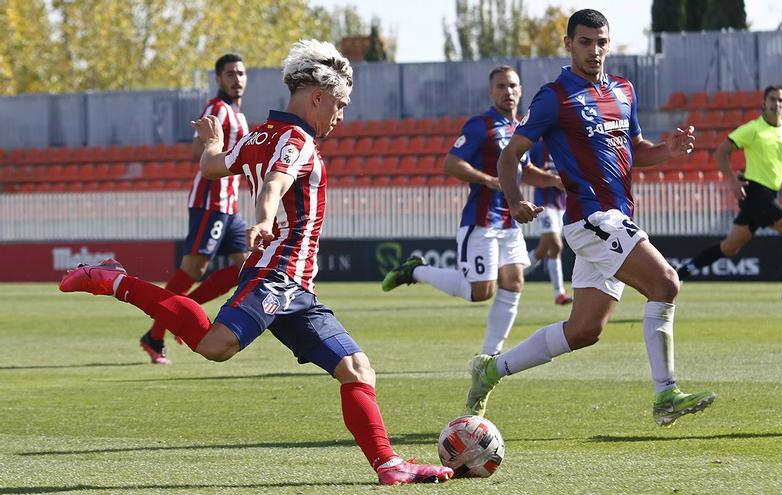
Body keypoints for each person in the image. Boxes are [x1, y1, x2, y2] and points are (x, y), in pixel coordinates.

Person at [60, 40, 453, 485]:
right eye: (339, 106)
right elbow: (273, 184)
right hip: (277, 273)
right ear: (317, 97)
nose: (340, 118)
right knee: (214, 346)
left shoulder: (259, 134)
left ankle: (389, 466)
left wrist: (211, 142)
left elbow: (212, 167)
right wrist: (264, 219)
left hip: (297, 288)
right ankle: (116, 281)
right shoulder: (297, 140)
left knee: (358, 369)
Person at [464, 9, 717, 427]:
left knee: (583, 331)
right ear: (568, 44)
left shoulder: (623, 89)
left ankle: (490, 370)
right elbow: (511, 156)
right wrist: (514, 201)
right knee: (665, 282)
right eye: (585, 42)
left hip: (615, 219)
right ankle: (666, 393)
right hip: (592, 219)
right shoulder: (554, 96)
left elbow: (635, 149)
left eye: (601, 42)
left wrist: (667, 150)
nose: (595, 50)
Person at [381, 65, 562, 356]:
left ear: (521, 90)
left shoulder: (522, 130)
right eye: (501, 86)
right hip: (481, 220)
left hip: (509, 222)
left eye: (513, 86)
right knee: (480, 292)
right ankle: (416, 271)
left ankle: (489, 356)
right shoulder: (481, 126)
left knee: (514, 282)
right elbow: (451, 163)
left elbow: (524, 170)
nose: (508, 92)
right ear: (491, 92)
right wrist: (487, 179)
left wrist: (555, 180)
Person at [139, 53, 251, 365]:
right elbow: (196, 150)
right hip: (210, 202)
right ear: (218, 79)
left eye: (241, 73)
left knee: (247, 267)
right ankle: (156, 333)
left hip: (230, 206)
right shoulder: (216, 109)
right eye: (230, 74)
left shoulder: (238, 114)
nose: (236, 79)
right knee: (193, 269)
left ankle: (184, 310)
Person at [676, 85, 782, 309]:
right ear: (764, 103)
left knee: (730, 247)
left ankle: (681, 271)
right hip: (755, 193)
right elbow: (721, 152)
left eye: (780, 100)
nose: (776, 103)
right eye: (772, 99)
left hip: (769, 195)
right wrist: (732, 181)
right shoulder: (753, 129)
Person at [524, 139, 573, 305]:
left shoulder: (566, 145)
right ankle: (560, 293)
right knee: (556, 245)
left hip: (561, 205)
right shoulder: (538, 146)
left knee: (544, 250)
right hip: (544, 205)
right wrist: (547, 176)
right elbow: (525, 170)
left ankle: (514, 274)